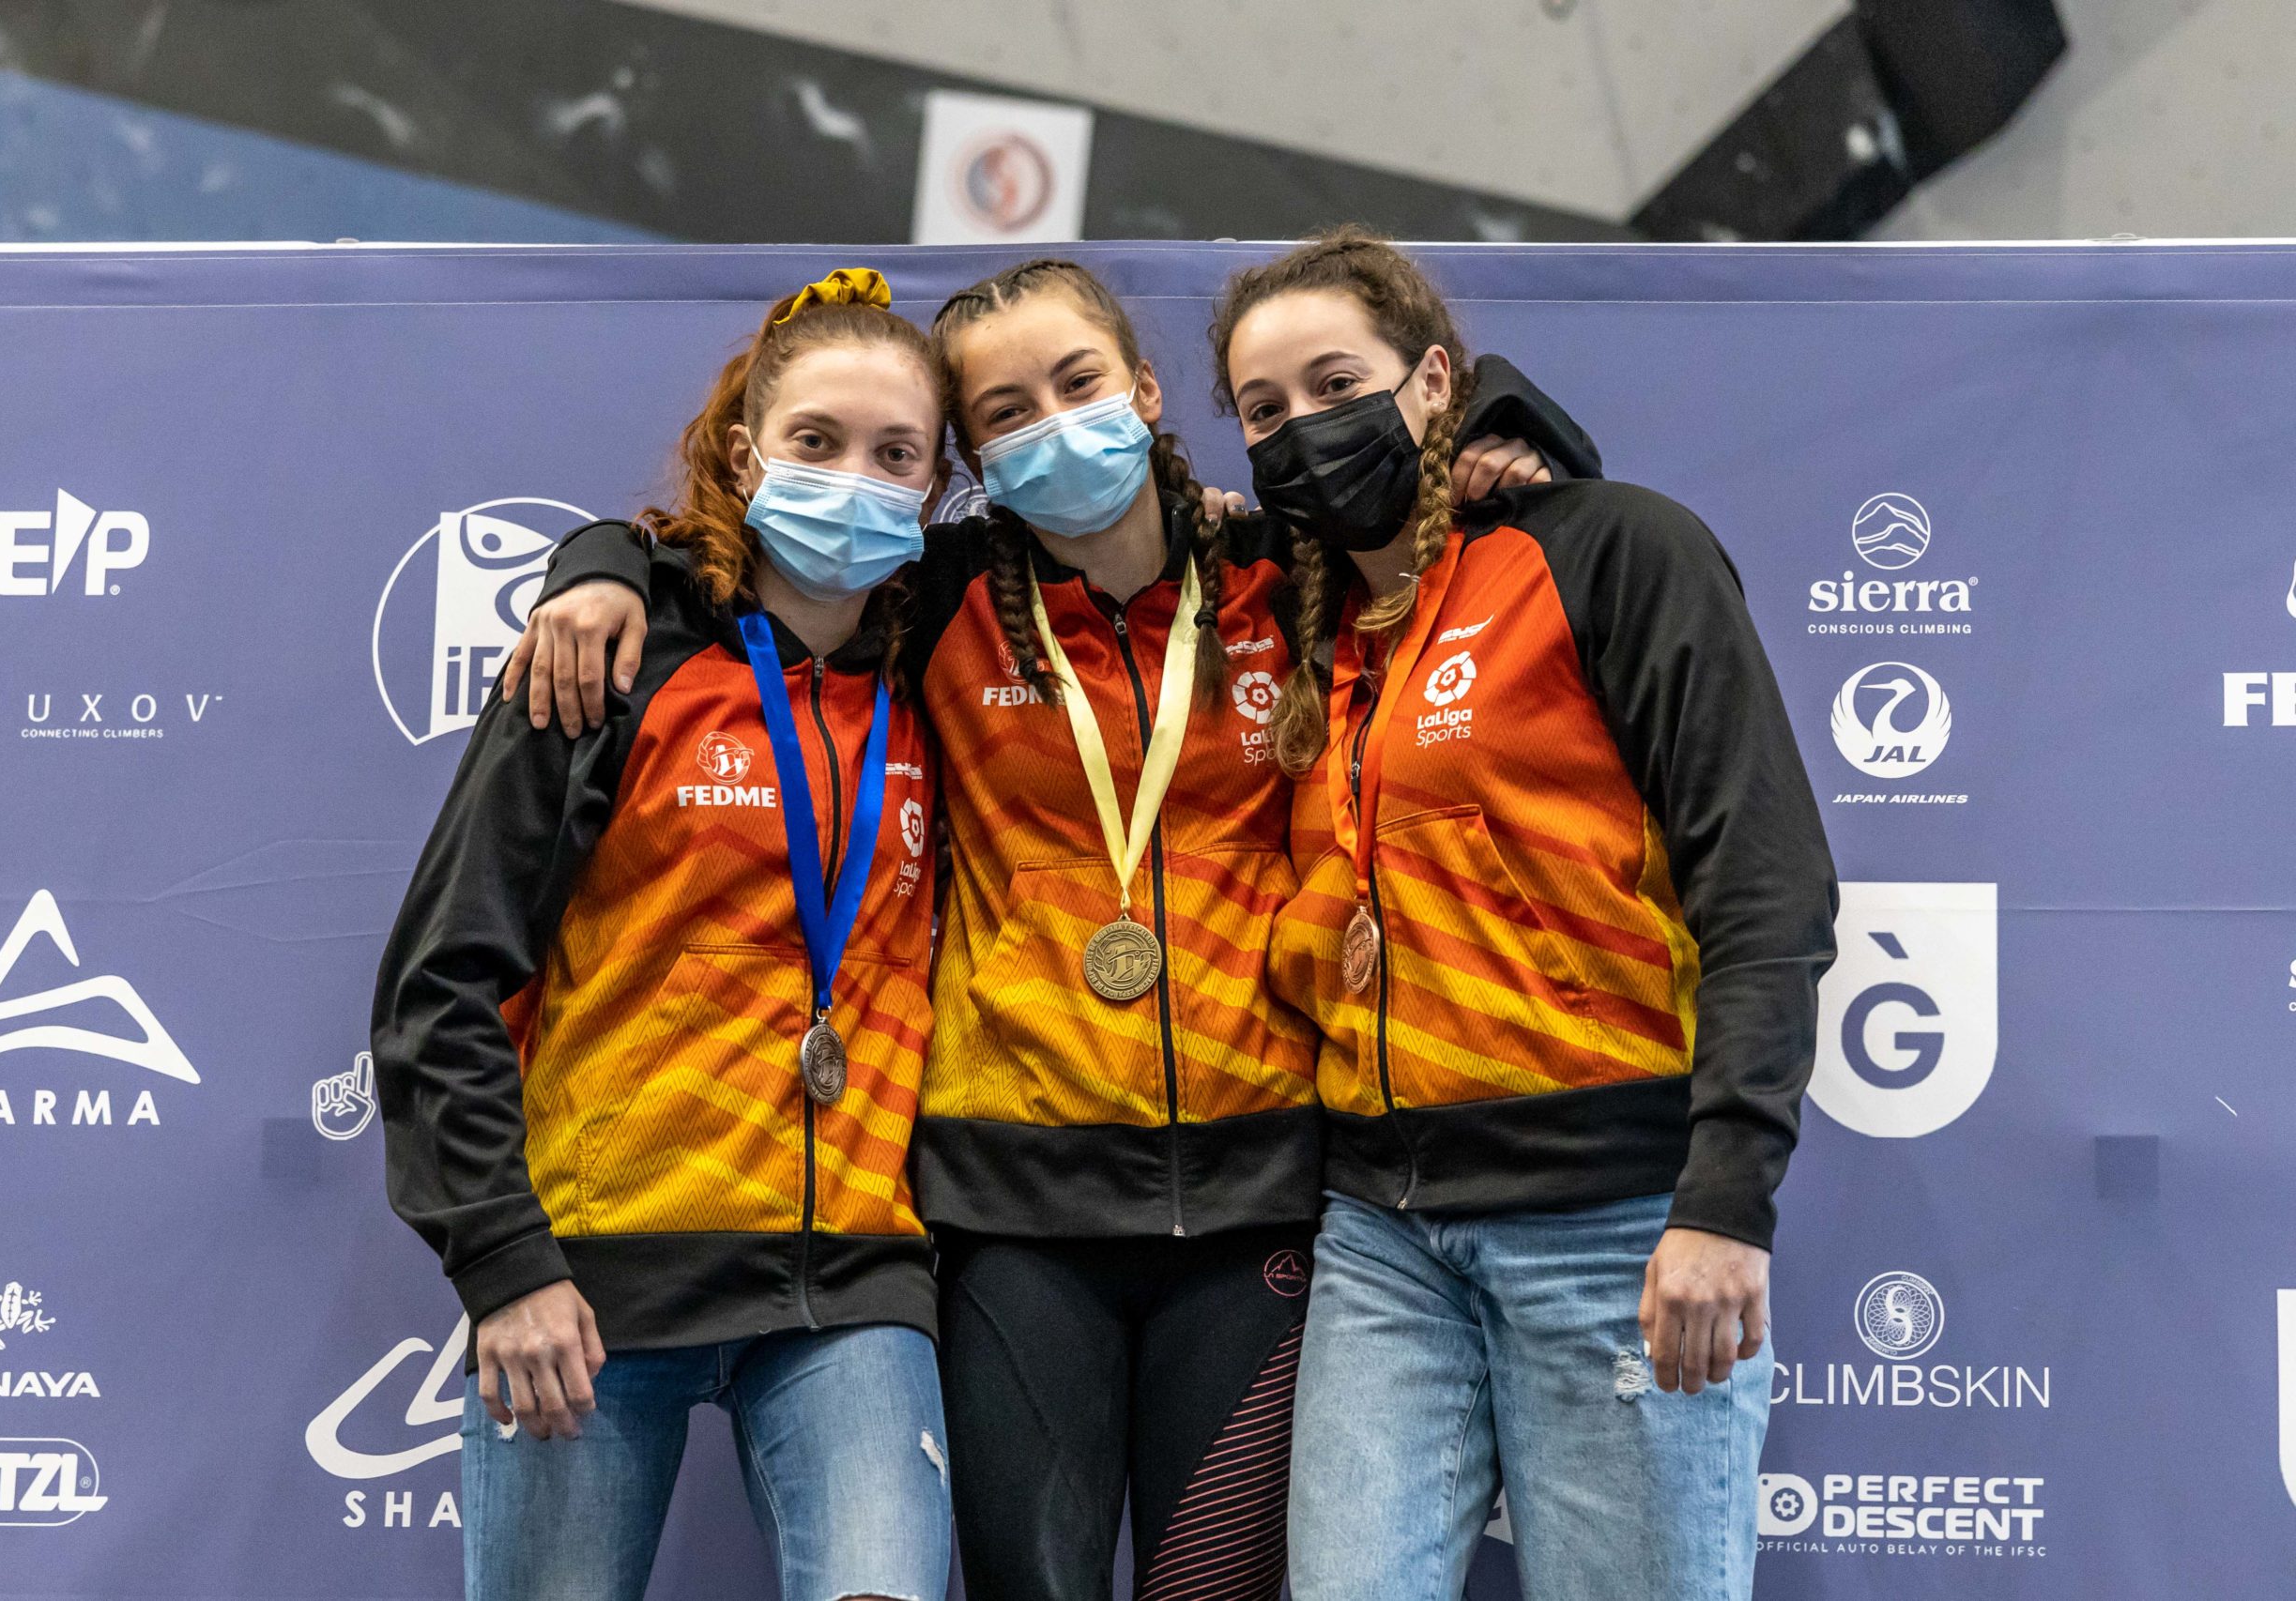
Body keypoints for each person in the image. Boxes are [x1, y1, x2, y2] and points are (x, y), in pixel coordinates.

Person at [503, 256, 1563, 1601]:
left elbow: (1410, 468)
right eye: (1005, 412)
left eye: (1078, 383)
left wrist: (1508, 419)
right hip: (1012, 1217)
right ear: (971, 459)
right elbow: (728, 575)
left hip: (1258, 1203)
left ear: (1146, 389)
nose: (1053, 426)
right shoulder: (934, 593)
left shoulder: (1277, 571)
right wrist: (596, 565)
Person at [1212, 228, 1839, 1601]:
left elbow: (1766, 882)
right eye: (1262, 410)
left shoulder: (1617, 548)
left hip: (1615, 1219)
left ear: (1437, 381)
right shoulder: (1307, 621)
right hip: (1380, 1236)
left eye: (1336, 384)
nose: (1301, 429)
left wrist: (1725, 1200)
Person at [372, 269, 952, 1601]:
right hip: (591, 1283)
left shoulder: (940, 671)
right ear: (746, 457)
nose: (854, 479)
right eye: (817, 442)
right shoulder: (607, 667)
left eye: (895, 455)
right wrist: (504, 1266)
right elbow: (440, 983)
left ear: (935, 488)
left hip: (853, 1285)